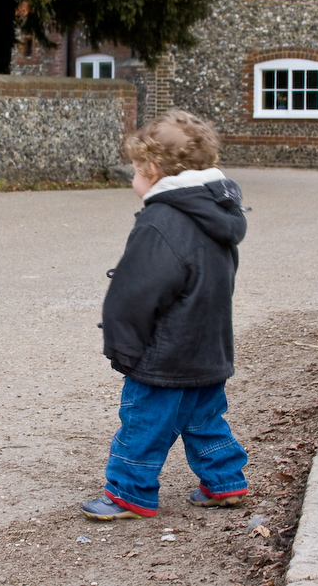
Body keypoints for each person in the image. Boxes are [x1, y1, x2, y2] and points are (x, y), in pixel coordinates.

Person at [82, 109, 249, 520]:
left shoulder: (161, 221)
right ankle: (225, 482)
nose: (133, 179)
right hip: (209, 348)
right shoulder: (218, 215)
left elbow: (136, 293)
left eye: (135, 170)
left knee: (143, 423)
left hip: (164, 354)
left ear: (153, 170)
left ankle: (128, 492)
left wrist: (123, 348)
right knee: (205, 419)